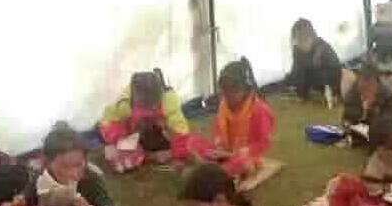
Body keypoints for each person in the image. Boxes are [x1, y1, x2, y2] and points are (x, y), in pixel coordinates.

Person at [2, 123, 113, 206]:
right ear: (48, 162)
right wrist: (21, 200)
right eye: (64, 166)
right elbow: (28, 196)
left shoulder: (91, 177)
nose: (73, 173)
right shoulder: (42, 176)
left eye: (78, 164)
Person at [98, 70, 195, 173]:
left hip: (151, 129)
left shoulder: (169, 101)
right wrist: (125, 143)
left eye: (153, 104)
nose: (150, 107)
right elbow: (110, 125)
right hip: (129, 131)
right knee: (125, 158)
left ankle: (149, 152)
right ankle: (147, 154)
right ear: (135, 98)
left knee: (187, 145)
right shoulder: (124, 106)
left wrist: (179, 157)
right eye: (145, 105)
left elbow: (180, 131)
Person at [205, 57, 278, 189]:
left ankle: (219, 174)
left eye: (233, 92)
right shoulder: (224, 105)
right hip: (225, 153)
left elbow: (263, 143)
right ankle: (218, 172)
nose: (228, 96)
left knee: (241, 163)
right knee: (199, 146)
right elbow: (218, 131)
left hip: (247, 157)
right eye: (225, 91)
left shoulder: (259, 110)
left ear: (245, 89)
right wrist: (218, 147)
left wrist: (241, 152)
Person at [278, 18, 343, 102]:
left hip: (327, 79)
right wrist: (300, 91)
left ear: (312, 38)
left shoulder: (323, 48)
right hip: (310, 78)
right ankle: (303, 92)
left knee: (312, 75)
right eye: (298, 41)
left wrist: (334, 92)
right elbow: (296, 71)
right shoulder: (297, 50)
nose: (301, 44)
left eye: (305, 40)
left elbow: (336, 71)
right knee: (291, 77)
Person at [341, 62, 392, 131]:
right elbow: (347, 121)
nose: (365, 84)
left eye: (369, 79)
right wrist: (364, 111)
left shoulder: (387, 95)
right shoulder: (352, 96)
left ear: (376, 80)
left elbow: (391, 122)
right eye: (363, 79)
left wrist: (372, 108)